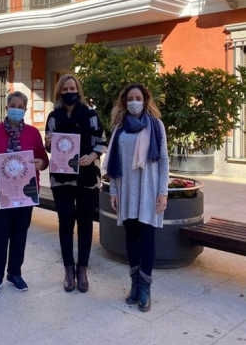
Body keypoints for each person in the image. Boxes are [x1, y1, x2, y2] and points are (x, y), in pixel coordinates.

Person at [102, 83, 169, 312]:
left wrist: (163, 193)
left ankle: (145, 287)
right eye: (130, 98)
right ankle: (134, 283)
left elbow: (164, 162)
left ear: (145, 99)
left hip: (149, 190)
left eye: (138, 97)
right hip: (127, 190)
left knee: (147, 237)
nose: (134, 102)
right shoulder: (119, 129)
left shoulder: (157, 126)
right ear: (124, 102)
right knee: (131, 237)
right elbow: (113, 162)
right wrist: (113, 191)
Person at [0, 91, 49, 295]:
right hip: (2, 193)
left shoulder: (33, 133)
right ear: (6, 107)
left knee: (20, 234)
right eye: (13, 105)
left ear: (25, 110)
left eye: (21, 106)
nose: (16, 109)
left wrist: (40, 163)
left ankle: (15, 273)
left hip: (26, 192)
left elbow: (43, 160)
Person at [45, 74, 107, 293]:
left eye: (72, 88)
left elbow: (101, 142)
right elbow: (50, 147)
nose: (69, 92)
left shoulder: (90, 114)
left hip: (87, 178)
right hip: (61, 179)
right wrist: (48, 142)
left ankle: (82, 269)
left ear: (78, 90)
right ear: (59, 92)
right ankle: (68, 269)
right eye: (64, 89)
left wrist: (91, 156)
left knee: (85, 223)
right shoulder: (53, 116)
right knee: (65, 221)